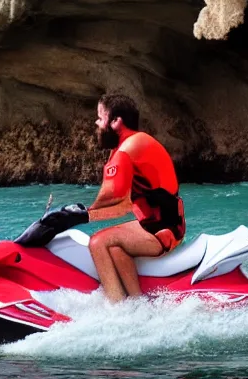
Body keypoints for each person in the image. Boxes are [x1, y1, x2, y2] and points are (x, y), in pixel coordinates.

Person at [15, 94, 185, 303]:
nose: (96, 123)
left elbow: (112, 195)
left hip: (161, 231)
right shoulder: (132, 145)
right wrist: (84, 216)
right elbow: (124, 206)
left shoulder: (127, 149)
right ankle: (136, 303)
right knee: (114, 247)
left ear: (116, 122)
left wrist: (78, 213)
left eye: (100, 117)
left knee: (98, 242)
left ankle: (115, 307)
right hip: (159, 225)